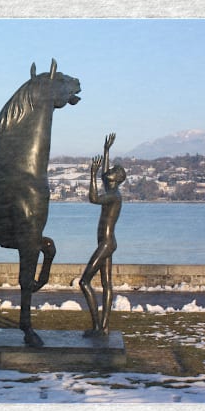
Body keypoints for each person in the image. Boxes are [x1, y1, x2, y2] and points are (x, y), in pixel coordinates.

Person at [80, 133, 127, 336]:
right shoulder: (112, 188)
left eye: (114, 171)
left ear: (116, 179)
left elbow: (92, 198)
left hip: (107, 243)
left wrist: (91, 174)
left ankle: (98, 326)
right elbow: (105, 174)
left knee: (84, 282)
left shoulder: (113, 196)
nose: (109, 171)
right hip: (107, 241)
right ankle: (103, 327)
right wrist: (106, 150)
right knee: (107, 285)